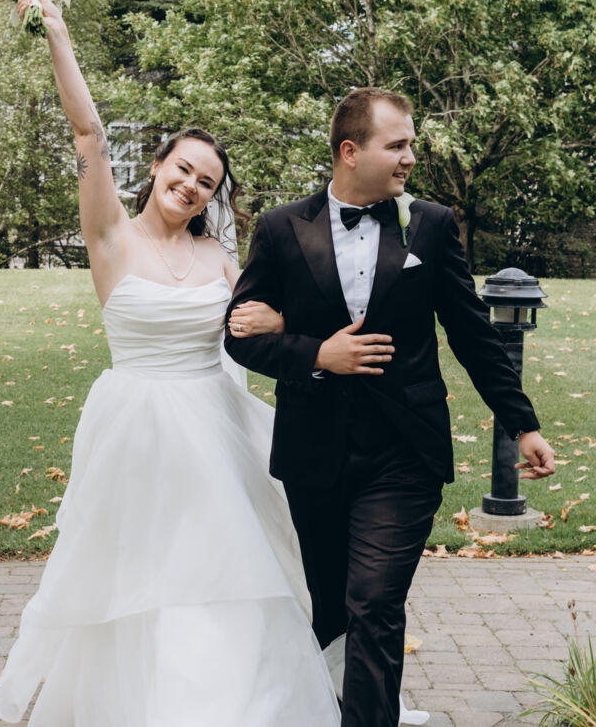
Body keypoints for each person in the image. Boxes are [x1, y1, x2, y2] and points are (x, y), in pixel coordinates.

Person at [0, 0, 341, 726]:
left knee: (224, 568)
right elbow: (88, 134)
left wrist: (289, 322)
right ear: (156, 166)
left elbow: (256, 327)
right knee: (142, 574)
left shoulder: (220, 258)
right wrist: (57, 33)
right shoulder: (111, 238)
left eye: (206, 182)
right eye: (182, 170)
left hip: (214, 429)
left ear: (213, 197)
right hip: (138, 430)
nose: (190, 186)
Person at [223, 87, 558, 727]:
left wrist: (522, 424)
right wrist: (318, 353)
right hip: (314, 451)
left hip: (405, 449)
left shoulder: (430, 224)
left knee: (374, 604)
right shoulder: (280, 228)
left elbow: (471, 332)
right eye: (397, 145)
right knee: (332, 611)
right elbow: (240, 336)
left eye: (411, 144)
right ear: (350, 151)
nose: (410, 157)